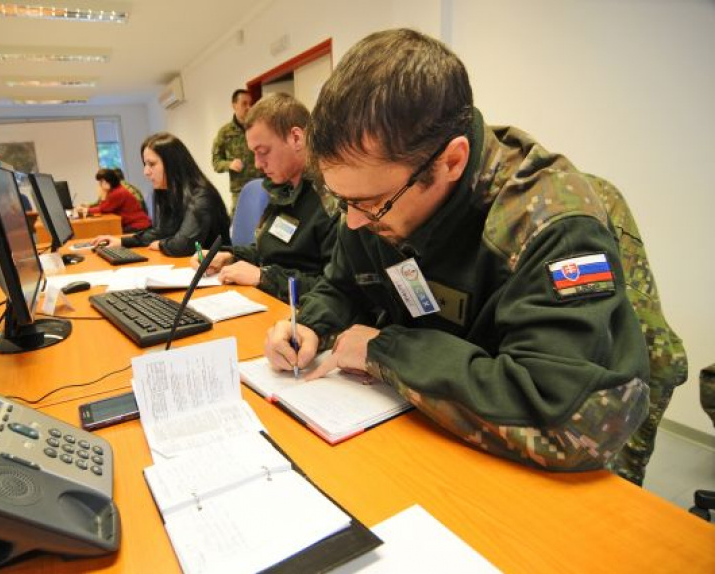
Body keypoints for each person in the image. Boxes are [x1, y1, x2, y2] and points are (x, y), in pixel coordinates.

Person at [264, 29, 685, 476]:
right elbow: (346, 284)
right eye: (341, 199)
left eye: (370, 204)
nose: (352, 222)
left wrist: (386, 351)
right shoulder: (375, 196)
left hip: (587, 427)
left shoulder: (550, 223)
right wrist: (310, 325)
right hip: (452, 408)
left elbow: (564, 417)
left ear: (451, 162)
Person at [191, 93, 339, 302]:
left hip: (301, 310)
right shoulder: (284, 187)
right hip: (273, 300)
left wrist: (264, 277)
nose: (258, 164)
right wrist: (230, 257)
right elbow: (270, 249)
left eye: (263, 151)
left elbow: (337, 291)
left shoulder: (333, 198)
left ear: (296, 138)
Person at [92, 132, 230, 256]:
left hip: (213, 270)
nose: (146, 172)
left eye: (151, 164)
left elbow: (183, 245)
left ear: (173, 164)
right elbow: (162, 232)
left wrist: (160, 244)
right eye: (145, 164)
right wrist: (122, 241)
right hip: (188, 264)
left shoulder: (202, 195)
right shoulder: (168, 192)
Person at [212, 88, 262, 213]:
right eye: (244, 104)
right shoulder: (225, 133)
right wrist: (229, 164)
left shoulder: (258, 128)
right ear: (234, 105)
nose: (249, 107)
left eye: (250, 104)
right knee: (240, 221)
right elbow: (216, 162)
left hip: (262, 184)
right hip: (240, 190)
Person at [77, 168, 150, 233]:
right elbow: (104, 206)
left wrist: (86, 210)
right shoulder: (116, 190)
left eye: (101, 182)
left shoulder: (118, 192)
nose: (100, 185)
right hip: (134, 224)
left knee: (110, 234)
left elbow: (103, 209)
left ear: (108, 181)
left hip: (138, 225)